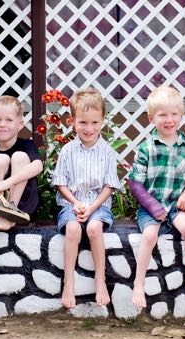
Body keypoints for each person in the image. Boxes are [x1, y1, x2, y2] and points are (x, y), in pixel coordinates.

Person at [129, 86, 185, 309]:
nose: (169, 120)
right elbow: (135, 183)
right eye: (162, 115)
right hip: (151, 206)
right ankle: (138, 283)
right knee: (150, 235)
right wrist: (153, 207)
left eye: (174, 114)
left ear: (181, 115)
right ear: (151, 118)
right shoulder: (146, 148)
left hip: (176, 204)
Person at [52, 88, 121, 308]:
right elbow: (60, 182)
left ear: (102, 120)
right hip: (72, 203)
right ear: (73, 121)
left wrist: (91, 208)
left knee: (93, 229)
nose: (89, 128)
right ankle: (69, 282)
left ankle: (100, 280)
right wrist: (76, 203)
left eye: (94, 122)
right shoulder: (68, 151)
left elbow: (110, 185)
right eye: (82, 122)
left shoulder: (107, 152)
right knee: (73, 230)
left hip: (98, 205)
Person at [0, 96, 43, 239]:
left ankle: (9, 214)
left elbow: (38, 166)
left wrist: (8, 182)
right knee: (0, 159)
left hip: (22, 206)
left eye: (9, 120)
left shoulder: (26, 145)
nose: (2, 124)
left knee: (20, 156)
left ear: (20, 124)